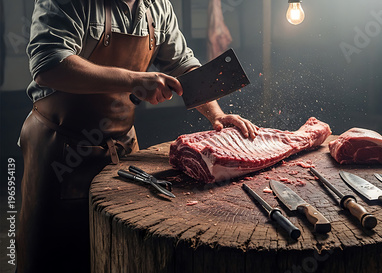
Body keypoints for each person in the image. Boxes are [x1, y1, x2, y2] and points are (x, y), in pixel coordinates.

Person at [17, 0, 258, 272]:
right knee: (54, 253)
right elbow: (49, 65)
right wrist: (133, 79)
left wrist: (216, 114)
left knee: (121, 245)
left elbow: (182, 64)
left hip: (123, 146)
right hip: (61, 147)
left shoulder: (158, 6)